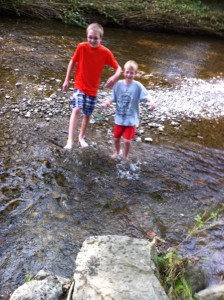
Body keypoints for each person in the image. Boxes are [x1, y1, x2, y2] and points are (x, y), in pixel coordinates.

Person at [63, 23, 122, 149]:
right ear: (87, 36)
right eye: (90, 37)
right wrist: (66, 80)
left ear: (100, 39)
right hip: (79, 85)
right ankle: (70, 140)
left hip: (93, 89)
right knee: (77, 109)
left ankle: (81, 137)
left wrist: (114, 77)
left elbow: (119, 68)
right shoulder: (81, 47)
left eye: (95, 38)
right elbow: (72, 62)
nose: (92, 40)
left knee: (87, 114)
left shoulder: (105, 52)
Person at [102, 60, 155, 161]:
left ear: (135, 74)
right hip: (119, 118)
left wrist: (151, 102)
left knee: (127, 141)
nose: (129, 74)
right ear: (124, 72)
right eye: (127, 72)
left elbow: (147, 95)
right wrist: (107, 102)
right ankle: (118, 152)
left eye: (131, 73)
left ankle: (125, 157)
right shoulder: (118, 85)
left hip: (131, 120)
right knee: (116, 139)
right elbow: (113, 97)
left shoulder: (138, 86)